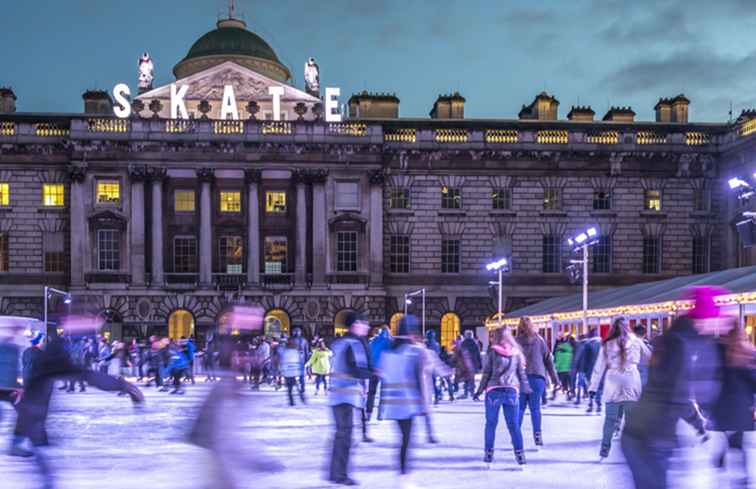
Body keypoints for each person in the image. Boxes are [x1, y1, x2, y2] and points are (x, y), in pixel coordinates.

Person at [621, 287, 724, 489]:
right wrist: (701, 425)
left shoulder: (677, 339)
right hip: (651, 435)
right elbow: (678, 394)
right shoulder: (682, 343)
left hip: (645, 432)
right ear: (706, 318)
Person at [588, 317, 651, 460]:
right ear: (627, 327)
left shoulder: (607, 344)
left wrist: (593, 387)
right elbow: (650, 358)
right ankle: (634, 452)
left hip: (613, 382)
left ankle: (604, 450)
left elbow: (599, 368)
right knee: (632, 419)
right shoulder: (636, 341)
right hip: (631, 380)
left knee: (610, 419)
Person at [378, 315, 426, 487]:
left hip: (392, 404)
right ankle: (404, 475)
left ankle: (402, 473)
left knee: (402, 438)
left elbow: (383, 379)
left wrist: (381, 408)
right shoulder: (413, 352)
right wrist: (422, 403)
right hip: (408, 402)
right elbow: (418, 378)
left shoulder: (388, 353)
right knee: (406, 439)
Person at [709, 320, 756, 485]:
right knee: (738, 438)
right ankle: (743, 473)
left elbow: (711, 373)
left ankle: (721, 457)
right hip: (741, 404)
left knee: (727, 433)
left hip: (722, 401)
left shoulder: (718, 350)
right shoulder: (747, 353)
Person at [474, 327, 530, 467]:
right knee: (514, 426)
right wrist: (525, 388)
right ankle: (520, 457)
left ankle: (488, 456)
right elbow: (521, 374)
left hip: (493, 391)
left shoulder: (493, 351)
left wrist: (479, 390)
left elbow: (486, 373)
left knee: (491, 425)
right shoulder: (516, 353)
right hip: (511, 391)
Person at [328, 311, 371, 486]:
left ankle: (334, 473)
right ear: (356, 325)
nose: (367, 327)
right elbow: (355, 369)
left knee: (341, 435)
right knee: (344, 437)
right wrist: (374, 374)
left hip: (337, 394)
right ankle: (340, 475)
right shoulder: (354, 344)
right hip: (346, 395)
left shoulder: (339, 343)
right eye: (364, 323)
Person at [516, 317, 559, 447]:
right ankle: (537, 435)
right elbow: (548, 360)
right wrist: (555, 379)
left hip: (521, 379)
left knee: (520, 408)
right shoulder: (540, 340)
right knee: (535, 409)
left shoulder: (516, 342)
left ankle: (516, 435)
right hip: (537, 378)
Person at [366, 326, 392, 420]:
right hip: (384, 370)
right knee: (383, 392)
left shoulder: (373, 341)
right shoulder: (390, 342)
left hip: (373, 369)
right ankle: (381, 414)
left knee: (371, 392)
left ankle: (368, 412)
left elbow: (369, 354)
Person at [573, 328, 602, 412]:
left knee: (591, 387)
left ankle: (591, 404)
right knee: (598, 387)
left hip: (589, 369)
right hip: (600, 369)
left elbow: (584, 358)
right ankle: (598, 403)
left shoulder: (588, 344)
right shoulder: (602, 344)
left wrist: (582, 370)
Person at [455, 331, 482, 399]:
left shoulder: (463, 343)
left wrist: (458, 362)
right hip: (473, 363)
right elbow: (478, 354)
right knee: (471, 378)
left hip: (465, 363)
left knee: (466, 379)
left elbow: (459, 353)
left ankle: (466, 392)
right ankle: (472, 392)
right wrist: (479, 364)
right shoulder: (475, 343)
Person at [280, 337, 304, 406]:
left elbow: (283, 361)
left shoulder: (288, 351)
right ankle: (297, 399)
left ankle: (293, 401)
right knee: (295, 386)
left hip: (290, 372)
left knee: (292, 387)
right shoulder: (294, 351)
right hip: (292, 372)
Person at [552, 335, 575, 400]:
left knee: (558, 383)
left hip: (560, 370)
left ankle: (554, 393)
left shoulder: (557, 350)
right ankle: (569, 394)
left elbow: (555, 360)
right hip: (568, 369)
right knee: (568, 384)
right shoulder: (570, 350)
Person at [291, 327, 311, 395]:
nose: (295, 333)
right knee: (301, 375)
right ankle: (302, 387)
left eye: (296, 331)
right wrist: (307, 360)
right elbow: (307, 351)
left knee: (293, 374)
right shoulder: (304, 340)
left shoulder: (291, 340)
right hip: (301, 359)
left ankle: (296, 387)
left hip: (294, 359)